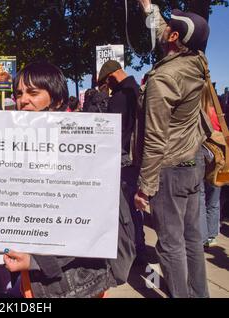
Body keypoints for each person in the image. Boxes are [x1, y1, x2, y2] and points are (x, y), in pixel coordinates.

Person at [3, 61, 117, 298]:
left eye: (33, 92)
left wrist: (36, 260)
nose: (23, 100)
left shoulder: (86, 147)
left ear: (56, 100)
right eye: (19, 93)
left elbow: (95, 227)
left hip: (75, 283)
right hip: (33, 281)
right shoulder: (22, 145)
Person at [134, 0, 210, 297]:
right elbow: (164, 29)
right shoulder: (198, 61)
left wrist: (145, 187)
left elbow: (155, 138)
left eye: (172, 24)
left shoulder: (164, 78)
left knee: (170, 245)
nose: (166, 25)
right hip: (193, 163)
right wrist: (148, 8)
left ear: (175, 38)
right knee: (192, 239)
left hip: (170, 170)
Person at [97, 60, 147, 264]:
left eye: (107, 84)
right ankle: (140, 249)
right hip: (138, 158)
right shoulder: (140, 91)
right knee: (135, 209)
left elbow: (112, 133)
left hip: (122, 158)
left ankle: (131, 252)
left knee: (125, 211)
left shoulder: (119, 98)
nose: (107, 89)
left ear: (112, 78)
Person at [199, 81, 222, 248]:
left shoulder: (197, 113)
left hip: (202, 156)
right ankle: (213, 235)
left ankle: (202, 235)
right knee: (214, 197)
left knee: (200, 197)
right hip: (220, 160)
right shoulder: (217, 113)